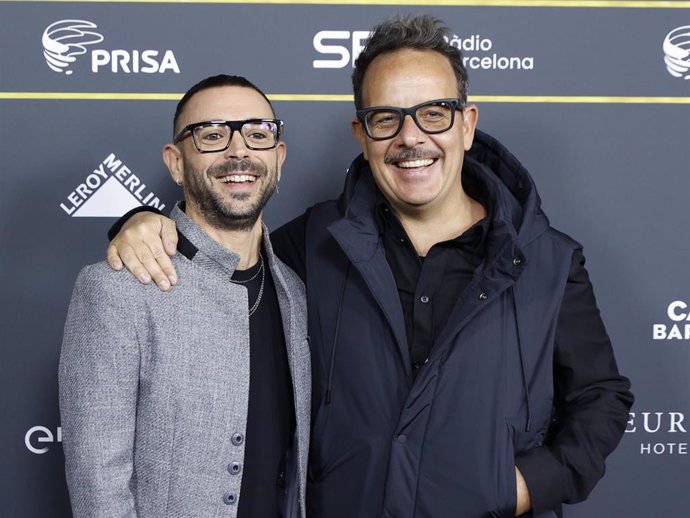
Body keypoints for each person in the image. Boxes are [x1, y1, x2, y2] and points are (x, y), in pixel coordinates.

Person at [106, 16, 633, 518]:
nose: (411, 138)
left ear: (467, 125)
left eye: (434, 113)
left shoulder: (547, 259)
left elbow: (601, 397)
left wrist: (523, 487)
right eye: (387, 119)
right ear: (361, 133)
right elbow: (223, 256)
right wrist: (143, 222)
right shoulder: (312, 244)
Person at [59, 74, 310, 518]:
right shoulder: (116, 290)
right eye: (212, 135)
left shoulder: (297, 289)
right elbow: (99, 487)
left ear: (279, 156)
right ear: (176, 163)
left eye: (257, 134)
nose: (239, 151)